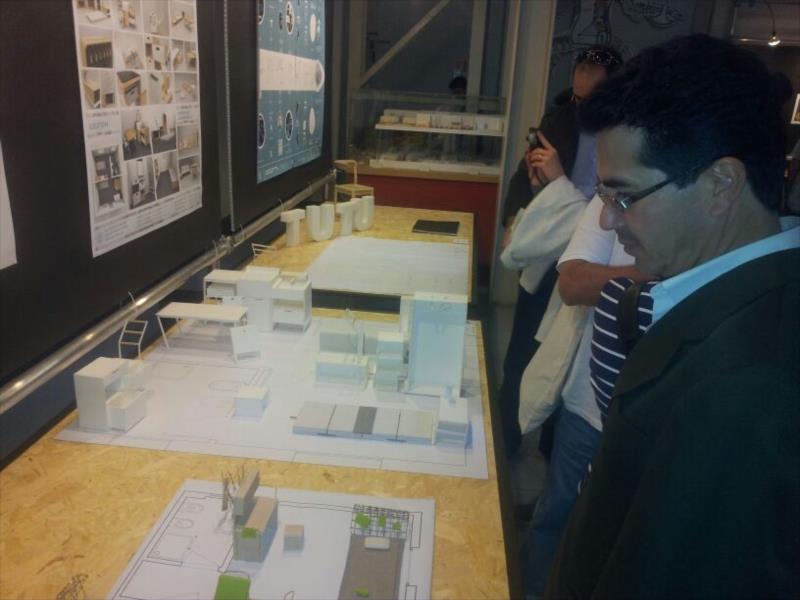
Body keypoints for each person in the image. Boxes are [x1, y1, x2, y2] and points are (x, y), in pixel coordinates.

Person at [545, 34, 799, 598]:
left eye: (623, 196)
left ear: (721, 185)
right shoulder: (719, 302)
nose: (608, 221)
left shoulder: (753, 381)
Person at [498, 45, 622, 458]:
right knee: (522, 350)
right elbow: (524, 176)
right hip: (550, 251)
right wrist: (516, 216)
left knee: (567, 355)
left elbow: (610, 204)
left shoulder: (623, 132)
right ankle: (506, 441)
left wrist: (557, 182)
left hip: (592, 257)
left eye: (593, 78)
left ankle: (552, 446)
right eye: (579, 73)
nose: (582, 84)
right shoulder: (560, 118)